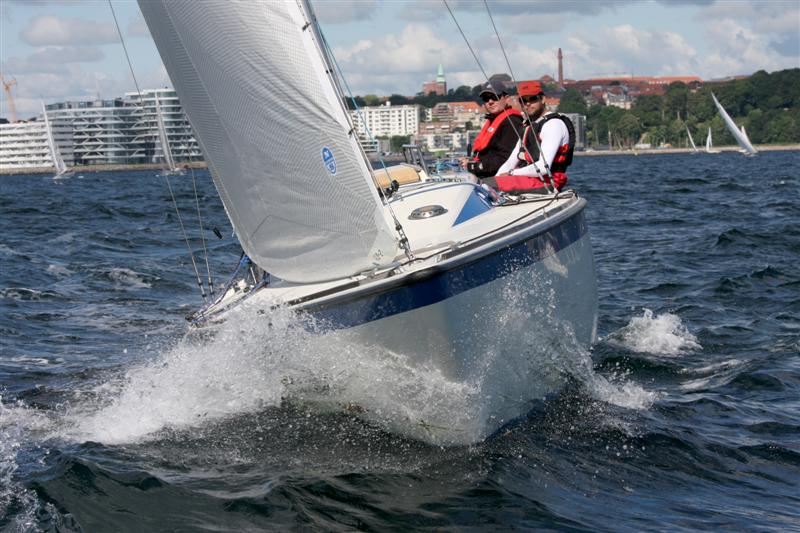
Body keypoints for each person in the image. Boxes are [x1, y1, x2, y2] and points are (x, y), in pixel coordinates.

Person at [485, 80, 575, 194]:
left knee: (487, 185)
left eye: (532, 99)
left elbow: (543, 167)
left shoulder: (553, 125)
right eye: (523, 100)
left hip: (548, 183)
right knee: (483, 184)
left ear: (542, 99)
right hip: (528, 179)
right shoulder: (529, 127)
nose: (527, 103)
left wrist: (512, 174)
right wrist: (497, 178)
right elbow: (510, 162)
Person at [461, 80, 523, 178]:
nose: (490, 102)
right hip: (486, 175)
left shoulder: (511, 122)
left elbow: (505, 159)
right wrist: (471, 161)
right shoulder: (494, 120)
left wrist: (473, 166)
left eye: (495, 97)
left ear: (506, 99)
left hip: (499, 179)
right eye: (486, 99)